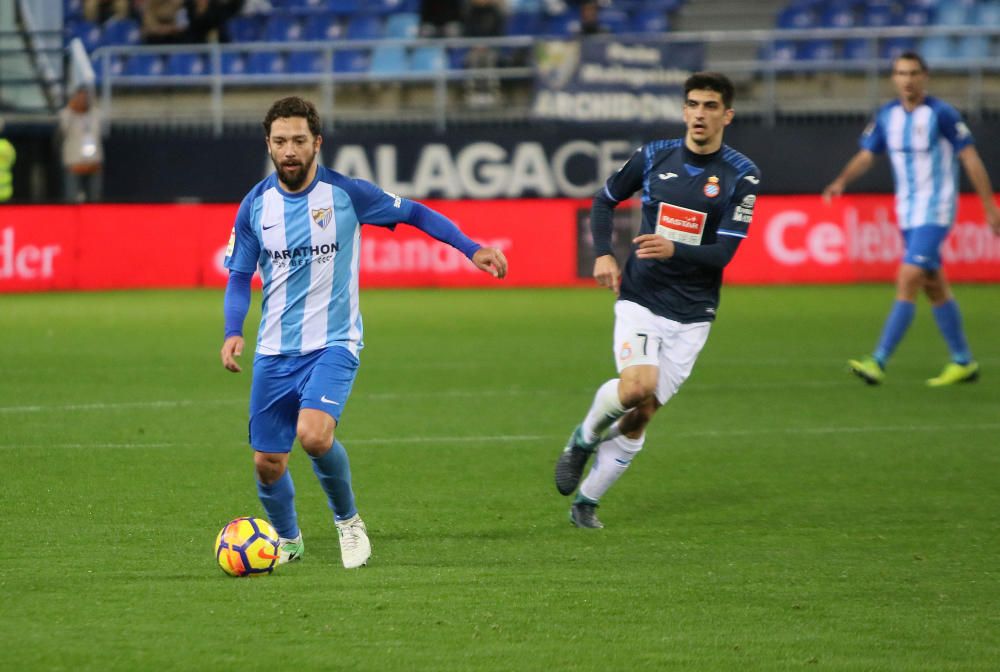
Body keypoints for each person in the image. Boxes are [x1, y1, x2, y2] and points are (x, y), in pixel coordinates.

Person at [220, 96, 508, 568]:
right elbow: (238, 274)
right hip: (274, 351)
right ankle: (288, 541)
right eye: (279, 142)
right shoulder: (255, 204)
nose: (289, 150)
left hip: (335, 343)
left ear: (317, 143)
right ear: (268, 145)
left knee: (313, 435)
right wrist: (234, 329)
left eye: (298, 141)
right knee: (267, 464)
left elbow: (415, 213)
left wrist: (470, 248)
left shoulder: (347, 194)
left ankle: (348, 523)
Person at [553, 72, 761, 529]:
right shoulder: (653, 156)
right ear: (684, 110)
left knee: (641, 415)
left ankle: (586, 502)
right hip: (642, 296)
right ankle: (584, 438)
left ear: (727, 114)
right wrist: (604, 252)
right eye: (693, 105)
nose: (700, 114)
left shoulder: (741, 175)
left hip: (693, 313)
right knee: (636, 387)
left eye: (710, 106)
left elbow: (724, 253)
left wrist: (674, 247)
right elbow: (605, 200)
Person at [822, 51, 1000, 387]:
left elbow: (971, 160)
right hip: (906, 213)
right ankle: (963, 361)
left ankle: (878, 360)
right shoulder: (888, 115)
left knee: (908, 278)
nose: (908, 79)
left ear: (925, 76)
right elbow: (866, 155)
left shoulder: (941, 114)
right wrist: (842, 181)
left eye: (914, 73)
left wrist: (990, 207)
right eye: (901, 73)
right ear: (893, 78)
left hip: (937, 210)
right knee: (934, 286)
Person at [58, 87, 103, 203]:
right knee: (71, 201)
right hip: (74, 166)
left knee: (95, 201)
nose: (83, 100)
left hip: (93, 165)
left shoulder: (95, 114)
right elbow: (63, 129)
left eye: (85, 97)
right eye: (80, 97)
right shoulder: (66, 114)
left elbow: (99, 134)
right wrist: (72, 109)